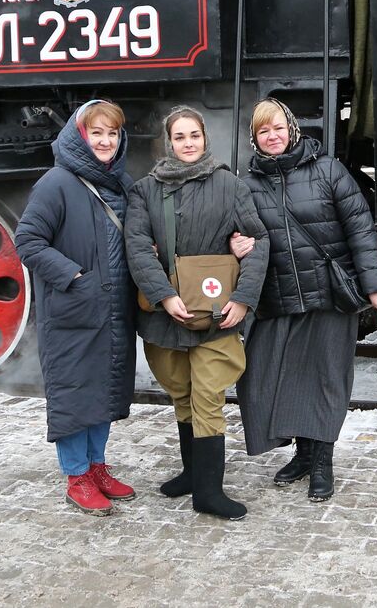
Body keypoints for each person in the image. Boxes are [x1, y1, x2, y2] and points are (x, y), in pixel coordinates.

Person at [232, 98, 377, 502]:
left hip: (328, 295)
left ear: (292, 130)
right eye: (263, 131)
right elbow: (236, 234)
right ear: (255, 138)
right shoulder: (246, 183)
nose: (272, 136)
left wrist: (376, 286)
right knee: (276, 378)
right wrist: (234, 246)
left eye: (278, 128)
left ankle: (322, 462)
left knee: (323, 380)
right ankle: (303, 455)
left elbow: (361, 230)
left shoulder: (328, 170)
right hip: (278, 297)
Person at [124, 106, 268, 521]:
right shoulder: (144, 191)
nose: (188, 144)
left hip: (218, 314)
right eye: (180, 137)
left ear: (205, 138)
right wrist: (165, 296)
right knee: (181, 393)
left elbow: (258, 242)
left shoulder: (230, 185)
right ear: (168, 142)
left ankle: (209, 491)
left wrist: (243, 298)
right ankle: (191, 473)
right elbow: (137, 247)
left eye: (195, 136)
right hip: (164, 315)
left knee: (208, 396)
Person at [15, 100, 137, 516]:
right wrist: (74, 277)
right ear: (79, 136)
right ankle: (76, 476)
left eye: (113, 133)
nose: (105, 141)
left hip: (113, 310)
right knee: (74, 392)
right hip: (74, 309)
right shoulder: (56, 182)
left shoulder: (119, 183)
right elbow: (28, 242)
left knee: (103, 389)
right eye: (96, 133)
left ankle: (97, 467)